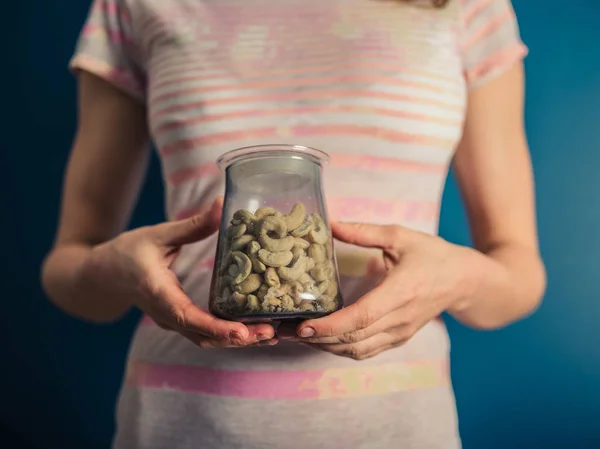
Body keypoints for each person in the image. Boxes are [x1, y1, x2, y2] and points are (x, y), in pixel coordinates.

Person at [41, 0, 546, 447]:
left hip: (397, 428)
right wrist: (117, 269)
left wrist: (453, 279)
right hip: (182, 423)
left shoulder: (469, 7)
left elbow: (519, 275)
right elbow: (69, 266)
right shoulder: (131, 5)